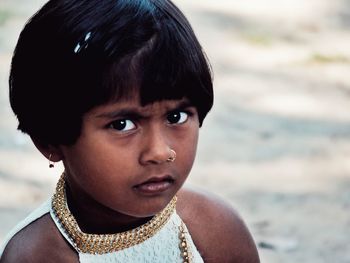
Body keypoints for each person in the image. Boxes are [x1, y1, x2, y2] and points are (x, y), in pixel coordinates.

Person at [0, 0, 260, 262]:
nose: (160, 152)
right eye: (122, 124)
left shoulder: (216, 230)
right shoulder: (35, 255)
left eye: (176, 116)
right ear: (49, 139)